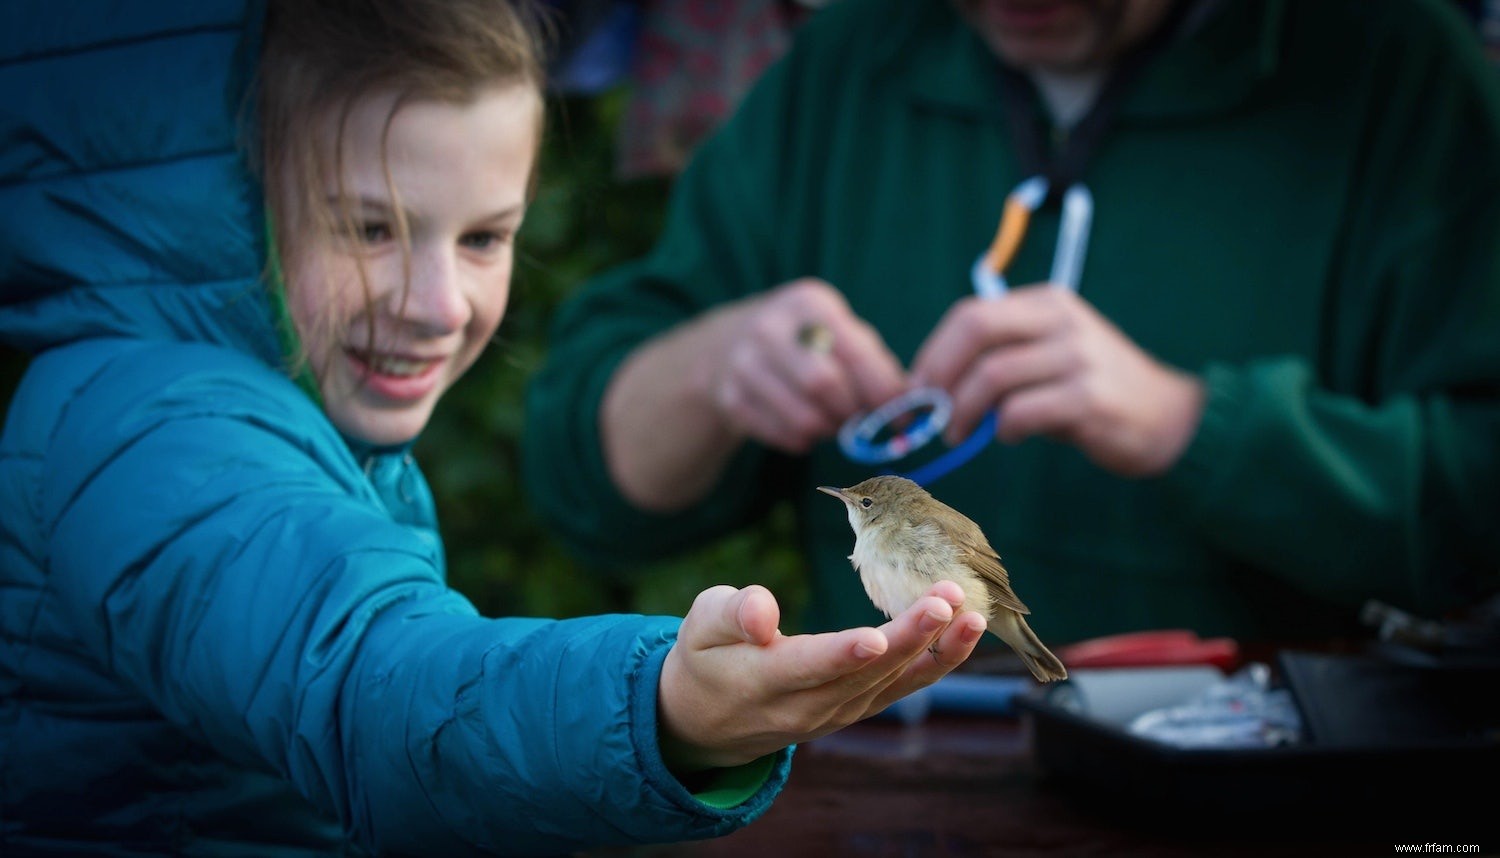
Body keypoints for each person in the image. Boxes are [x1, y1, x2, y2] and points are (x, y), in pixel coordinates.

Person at [0, 1, 987, 854]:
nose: (436, 304)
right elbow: (372, 687)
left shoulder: (285, 405)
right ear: (238, 206)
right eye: (370, 227)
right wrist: (659, 711)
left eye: (483, 238)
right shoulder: (150, 428)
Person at [522, 0, 1500, 651]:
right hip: (883, 775)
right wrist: (711, 370)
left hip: (1279, 793)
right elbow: (586, 490)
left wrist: (1192, 426)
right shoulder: (850, 62)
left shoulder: (1392, 71)